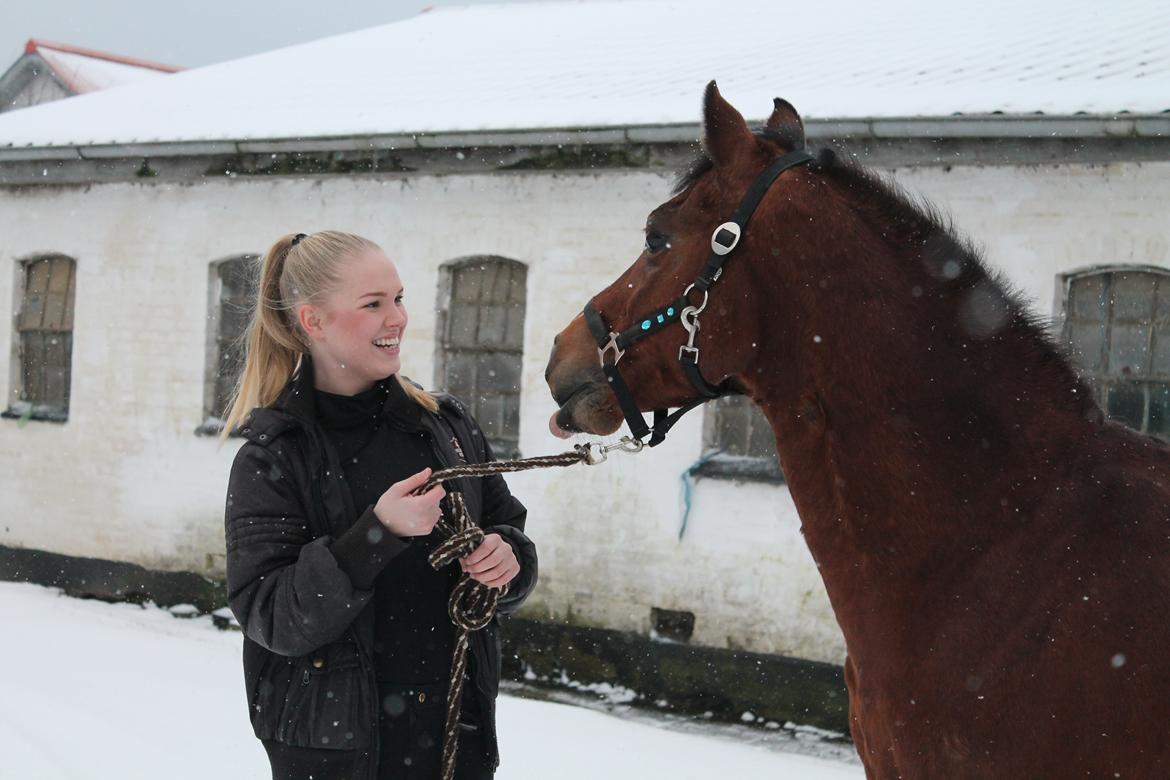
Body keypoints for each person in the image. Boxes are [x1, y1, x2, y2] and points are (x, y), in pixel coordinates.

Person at [219, 230, 537, 780]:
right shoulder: (273, 456)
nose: (398, 318)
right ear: (313, 321)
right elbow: (271, 616)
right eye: (373, 304)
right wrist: (377, 535)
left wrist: (505, 560)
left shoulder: (445, 425)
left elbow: (510, 533)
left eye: (399, 298)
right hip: (335, 749)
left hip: (454, 736)